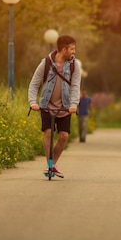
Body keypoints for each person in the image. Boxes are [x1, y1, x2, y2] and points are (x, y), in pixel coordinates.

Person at [28, 34, 81, 178]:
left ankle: (53, 165)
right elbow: (34, 83)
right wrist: (33, 102)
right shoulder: (45, 63)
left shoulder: (74, 65)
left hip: (65, 106)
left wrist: (74, 104)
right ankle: (50, 165)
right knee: (49, 133)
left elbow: (76, 86)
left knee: (64, 136)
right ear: (63, 50)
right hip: (47, 105)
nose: (74, 52)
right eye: (72, 49)